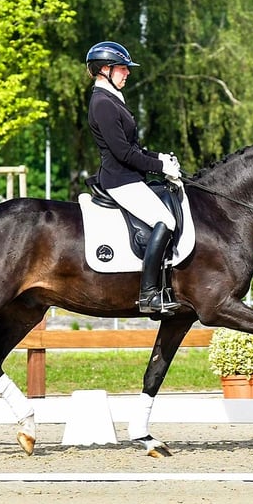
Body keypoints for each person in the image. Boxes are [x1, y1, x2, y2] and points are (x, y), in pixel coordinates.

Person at [86, 40, 182, 315]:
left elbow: (134, 148)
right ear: (105, 69)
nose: (127, 73)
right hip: (120, 179)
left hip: (128, 175)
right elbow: (124, 153)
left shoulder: (112, 99)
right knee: (166, 220)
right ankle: (149, 294)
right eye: (123, 68)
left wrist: (161, 158)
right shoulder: (103, 103)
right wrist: (159, 168)